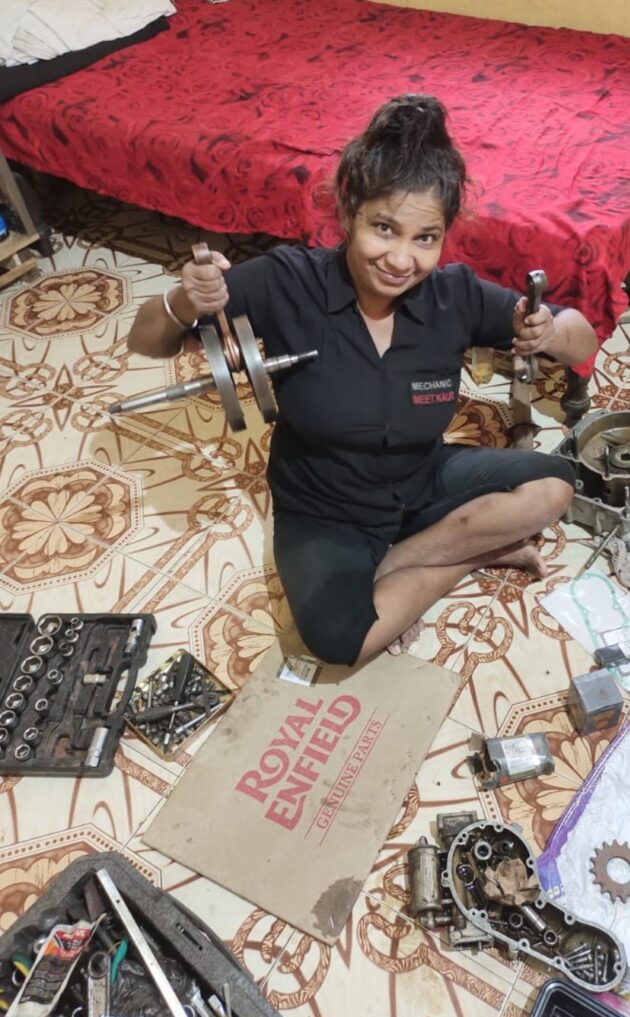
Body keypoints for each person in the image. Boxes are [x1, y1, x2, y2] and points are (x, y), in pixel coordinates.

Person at [126, 94, 597, 666]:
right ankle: (470, 556)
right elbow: (147, 341)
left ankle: (394, 563)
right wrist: (181, 301)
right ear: (349, 213)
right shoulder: (286, 281)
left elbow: (581, 337)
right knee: (340, 641)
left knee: (555, 486)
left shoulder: (454, 295)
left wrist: (546, 330)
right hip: (324, 502)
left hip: (420, 478)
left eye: (425, 238)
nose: (401, 259)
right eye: (384, 229)